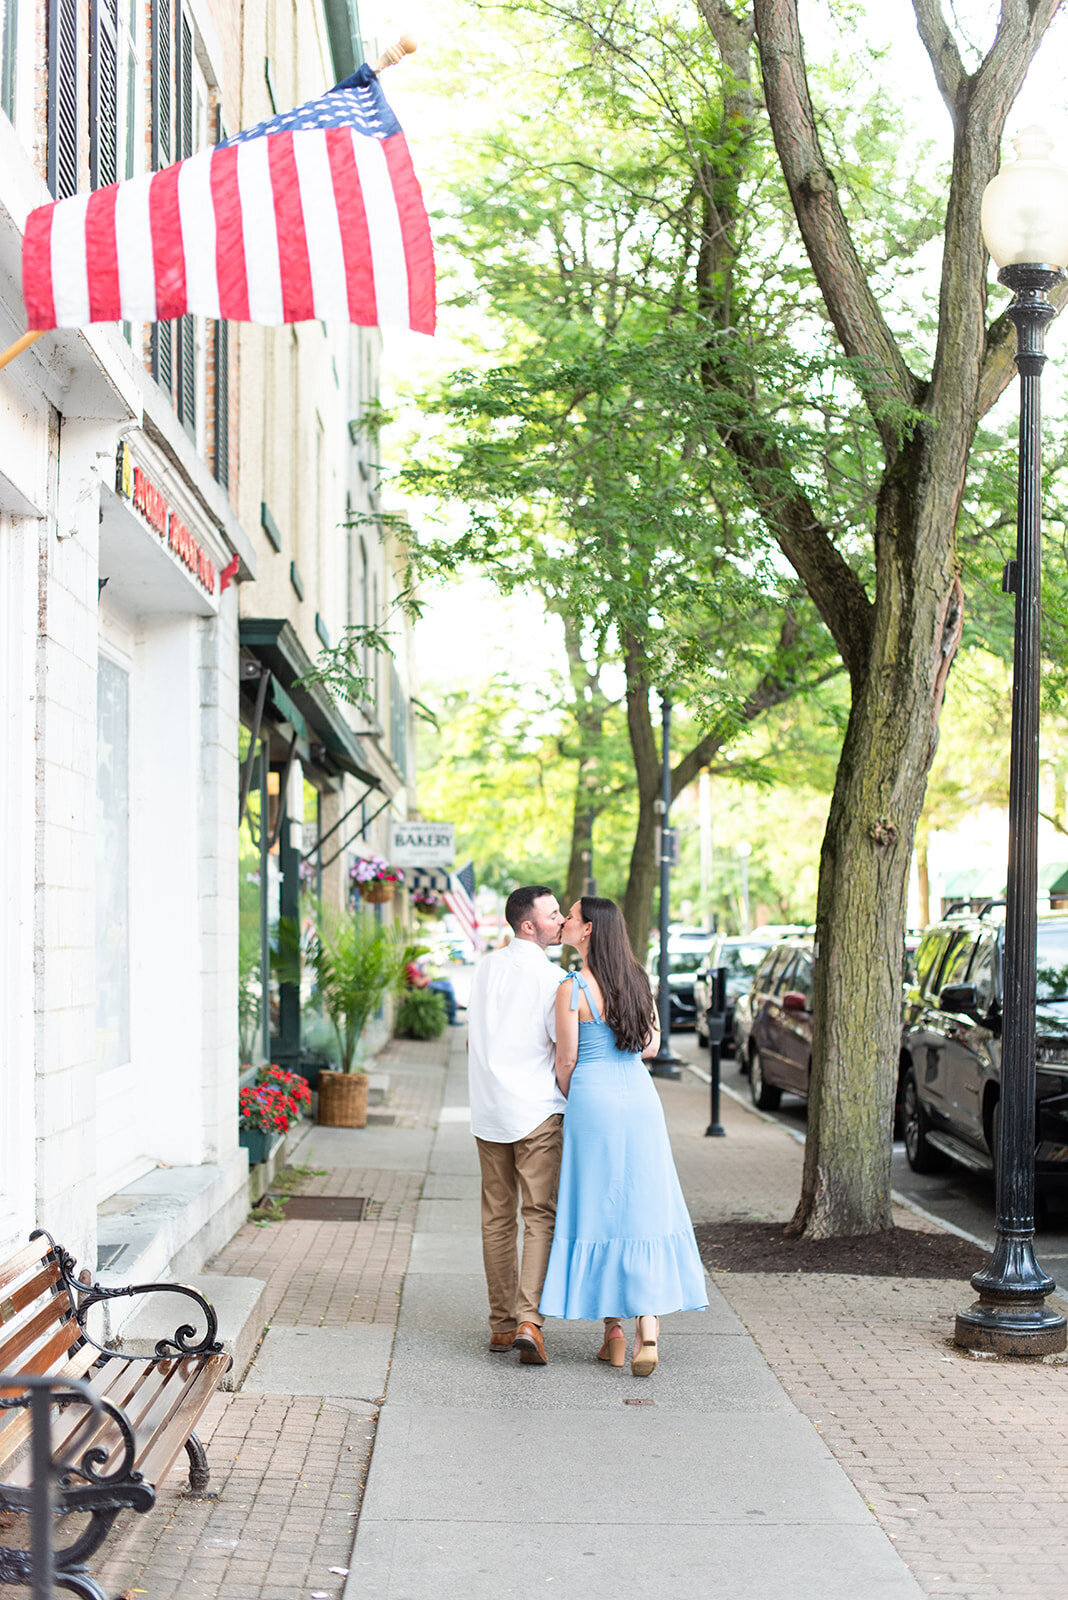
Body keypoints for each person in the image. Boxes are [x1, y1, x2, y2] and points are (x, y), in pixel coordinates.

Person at [539, 897, 707, 1376]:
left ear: (588, 930)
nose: (564, 923)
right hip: (639, 1095)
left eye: (569, 917)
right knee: (643, 1204)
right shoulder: (637, 979)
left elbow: (565, 1061)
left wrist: (579, 1098)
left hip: (592, 1096)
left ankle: (612, 1331)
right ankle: (645, 1330)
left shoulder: (571, 988)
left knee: (600, 1207)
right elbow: (651, 1044)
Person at [466, 885, 565, 1365]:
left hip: (489, 1111)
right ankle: (529, 1320)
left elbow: (473, 1039)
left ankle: (502, 1326)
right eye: (553, 914)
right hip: (536, 1110)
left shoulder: (484, 968)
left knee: (496, 1217)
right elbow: (559, 1045)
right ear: (529, 925)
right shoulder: (551, 978)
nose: (562, 919)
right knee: (539, 1215)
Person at [404, 955, 462, 1025]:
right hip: (424, 988)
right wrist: (427, 978)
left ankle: (456, 1004)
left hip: (428, 984)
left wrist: (423, 969)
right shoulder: (409, 967)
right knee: (448, 992)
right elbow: (418, 984)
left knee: (448, 983)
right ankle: (452, 1018)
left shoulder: (415, 965)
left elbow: (422, 975)